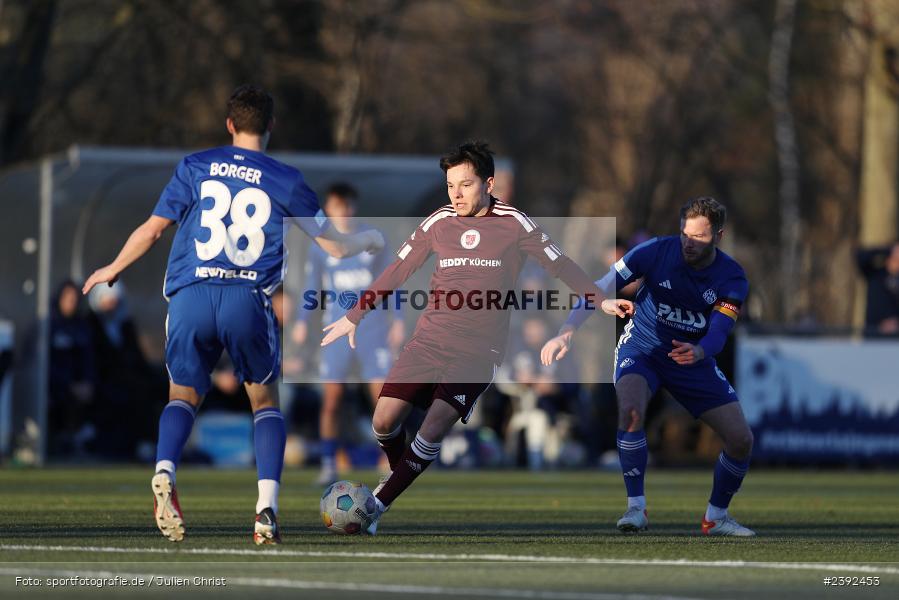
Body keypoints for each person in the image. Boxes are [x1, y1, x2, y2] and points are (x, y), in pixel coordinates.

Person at [82, 84, 384, 545]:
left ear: (229, 124)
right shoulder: (286, 179)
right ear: (272, 127)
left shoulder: (195, 166)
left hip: (190, 295)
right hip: (246, 299)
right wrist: (370, 240)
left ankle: (165, 470)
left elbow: (154, 229)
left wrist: (113, 267)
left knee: (181, 397)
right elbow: (334, 247)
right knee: (264, 403)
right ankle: (266, 510)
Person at [322, 141, 621, 534]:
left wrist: (599, 301)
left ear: (489, 183)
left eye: (465, 184)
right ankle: (398, 477)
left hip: (478, 353)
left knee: (431, 429)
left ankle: (377, 506)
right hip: (428, 341)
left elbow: (560, 265)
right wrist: (355, 315)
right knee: (383, 420)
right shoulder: (438, 222)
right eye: (450, 185)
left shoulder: (516, 223)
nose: (456, 194)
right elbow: (399, 269)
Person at [542, 196, 755, 537]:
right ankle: (636, 508)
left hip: (691, 358)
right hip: (642, 349)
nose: (688, 242)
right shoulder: (655, 251)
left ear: (718, 236)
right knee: (631, 413)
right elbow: (599, 286)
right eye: (685, 233)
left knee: (741, 440)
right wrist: (567, 331)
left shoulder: (732, 277)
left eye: (699, 237)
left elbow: (719, 332)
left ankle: (716, 517)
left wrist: (700, 352)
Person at [293, 183, 404, 485]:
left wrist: (399, 319)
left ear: (354, 207)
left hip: (374, 328)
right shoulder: (322, 244)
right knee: (332, 398)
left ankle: (390, 459)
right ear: (328, 209)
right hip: (336, 330)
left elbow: (393, 281)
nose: (343, 213)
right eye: (337, 207)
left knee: (383, 398)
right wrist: (303, 320)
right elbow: (311, 285)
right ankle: (330, 463)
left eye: (347, 206)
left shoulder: (373, 239)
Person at [857, 242, 899, 335]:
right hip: (874, 334)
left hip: (895, 337)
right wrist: (886, 249)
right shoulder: (875, 275)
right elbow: (860, 257)